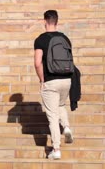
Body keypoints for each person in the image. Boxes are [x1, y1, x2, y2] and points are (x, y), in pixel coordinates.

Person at [34, 10, 74, 160]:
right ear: (57, 21)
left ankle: (56, 149)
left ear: (45, 21)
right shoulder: (65, 39)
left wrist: (42, 79)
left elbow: (37, 63)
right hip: (66, 80)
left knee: (52, 116)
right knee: (61, 105)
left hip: (51, 81)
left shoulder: (41, 40)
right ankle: (67, 127)